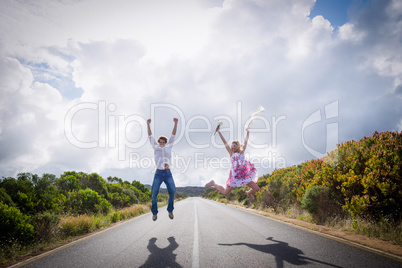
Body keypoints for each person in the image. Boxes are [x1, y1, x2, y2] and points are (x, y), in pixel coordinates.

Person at [205, 126, 260, 200]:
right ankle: (213, 183)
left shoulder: (242, 152)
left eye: (234, 146)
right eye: (231, 146)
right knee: (225, 193)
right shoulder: (231, 153)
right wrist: (219, 132)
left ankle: (249, 193)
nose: (232, 147)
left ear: (238, 146)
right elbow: (225, 143)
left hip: (244, 175)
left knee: (256, 189)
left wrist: (247, 132)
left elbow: (245, 142)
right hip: (235, 177)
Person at [147, 118, 178, 221]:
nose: (161, 143)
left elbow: (173, 135)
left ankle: (170, 210)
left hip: (168, 173)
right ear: (158, 142)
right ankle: (154, 213)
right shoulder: (155, 147)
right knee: (154, 193)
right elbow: (150, 136)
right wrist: (148, 125)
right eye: (160, 142)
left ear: (166, 142)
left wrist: (176, 123)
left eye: (163, 142)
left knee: (172, 191)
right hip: (158, 173)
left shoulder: (169, 146)